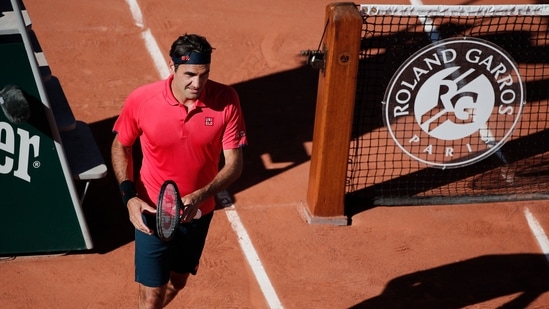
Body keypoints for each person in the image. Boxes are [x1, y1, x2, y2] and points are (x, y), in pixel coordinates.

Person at [111, 33, 247, 309]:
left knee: (177, 281)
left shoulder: (227, 100)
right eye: (189, 74)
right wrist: (129, 197)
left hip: (198, 213)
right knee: (151, 297)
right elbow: (120, 146)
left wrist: (200, 195)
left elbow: (234, 164)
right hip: (152, 211)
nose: (197, 83)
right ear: (172, 68)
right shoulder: (142, 100)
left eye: (204, 74)